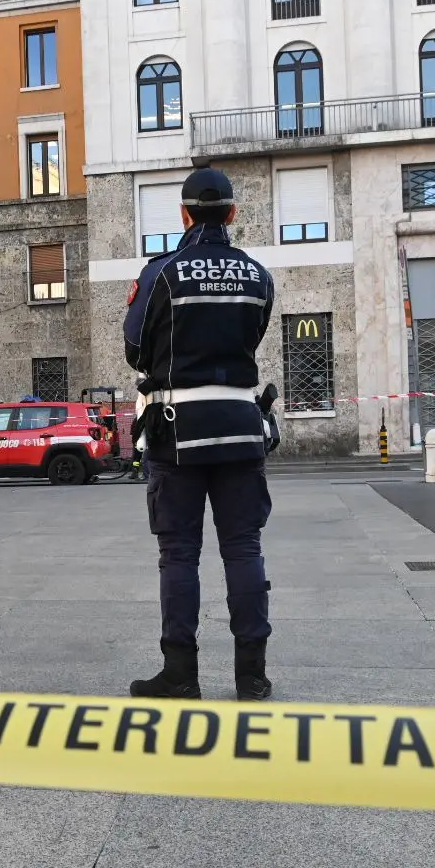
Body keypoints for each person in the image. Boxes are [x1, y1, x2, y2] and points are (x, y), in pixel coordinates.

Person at [123, 168, 280, 701]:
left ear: (184, 214)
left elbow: (135, 350)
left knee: (179, 554)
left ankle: (180, 674)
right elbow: (251, 339)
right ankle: (251, 675)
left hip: (178, 432)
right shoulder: (258, 276)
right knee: (243, 549)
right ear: (232, 213)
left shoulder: (162, 273)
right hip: (240, 426)